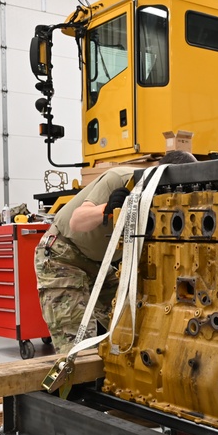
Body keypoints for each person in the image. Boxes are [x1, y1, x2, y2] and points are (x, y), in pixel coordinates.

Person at [35, 150, 197, 353]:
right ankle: (75, 383)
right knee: (77, 346)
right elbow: (77, 220)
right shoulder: (121, 180)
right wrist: (108, 208)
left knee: (132, 327)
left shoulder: (167, 199)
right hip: (63, 256)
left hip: (100, 264)